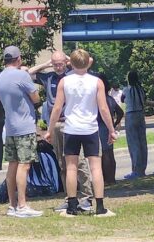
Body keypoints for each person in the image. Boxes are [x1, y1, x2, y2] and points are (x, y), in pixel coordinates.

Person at [45, 49, 117, 217]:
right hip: (90, 128)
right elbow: (103, 108)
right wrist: (111, 129)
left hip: (71, 128)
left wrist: (50, 129)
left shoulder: (64, 82)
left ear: (71, 63)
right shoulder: (97, 82)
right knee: (95, 168)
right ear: (88, 62)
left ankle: (71, 206)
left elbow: (57, 108)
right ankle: (99, 206)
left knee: (71, 167)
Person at [28, 50, 94, 212]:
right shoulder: (48, 77)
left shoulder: (73, 75)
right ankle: (69, 197)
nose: (58, 67)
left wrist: (70, 60)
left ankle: (86, 196)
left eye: (61, 64)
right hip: (56, 124)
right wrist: (46, 64)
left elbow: (89, 60)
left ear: (66, 62)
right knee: (62, 164)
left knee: (79, 162)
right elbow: (27, 73)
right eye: (55, 64)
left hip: (71, 122)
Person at [0, 45, 43, 218]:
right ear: (19, 58)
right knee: (25, 166)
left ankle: (12, 205)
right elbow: (35, 97)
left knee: (12, 166)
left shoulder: (0, 77)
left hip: (10, 127)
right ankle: (23, 205)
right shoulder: (22, 75)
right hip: (25, 126)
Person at [98, 74, 124, 185]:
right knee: (110, 153)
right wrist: (114, 123)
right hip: (109, 127)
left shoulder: (99, 99)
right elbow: (120, 112)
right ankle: (111, 178)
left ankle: (106, 179)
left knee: (104, 154)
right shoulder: (110, 98)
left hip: (100, 126)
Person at [121, 71, 148, 180]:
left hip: (131, 114)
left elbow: (122, 99)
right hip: (140, 114)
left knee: (133, 143)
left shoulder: (127, 89)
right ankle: (142, 169)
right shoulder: (140, 89)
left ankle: (136, 169)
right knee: (142, 142)